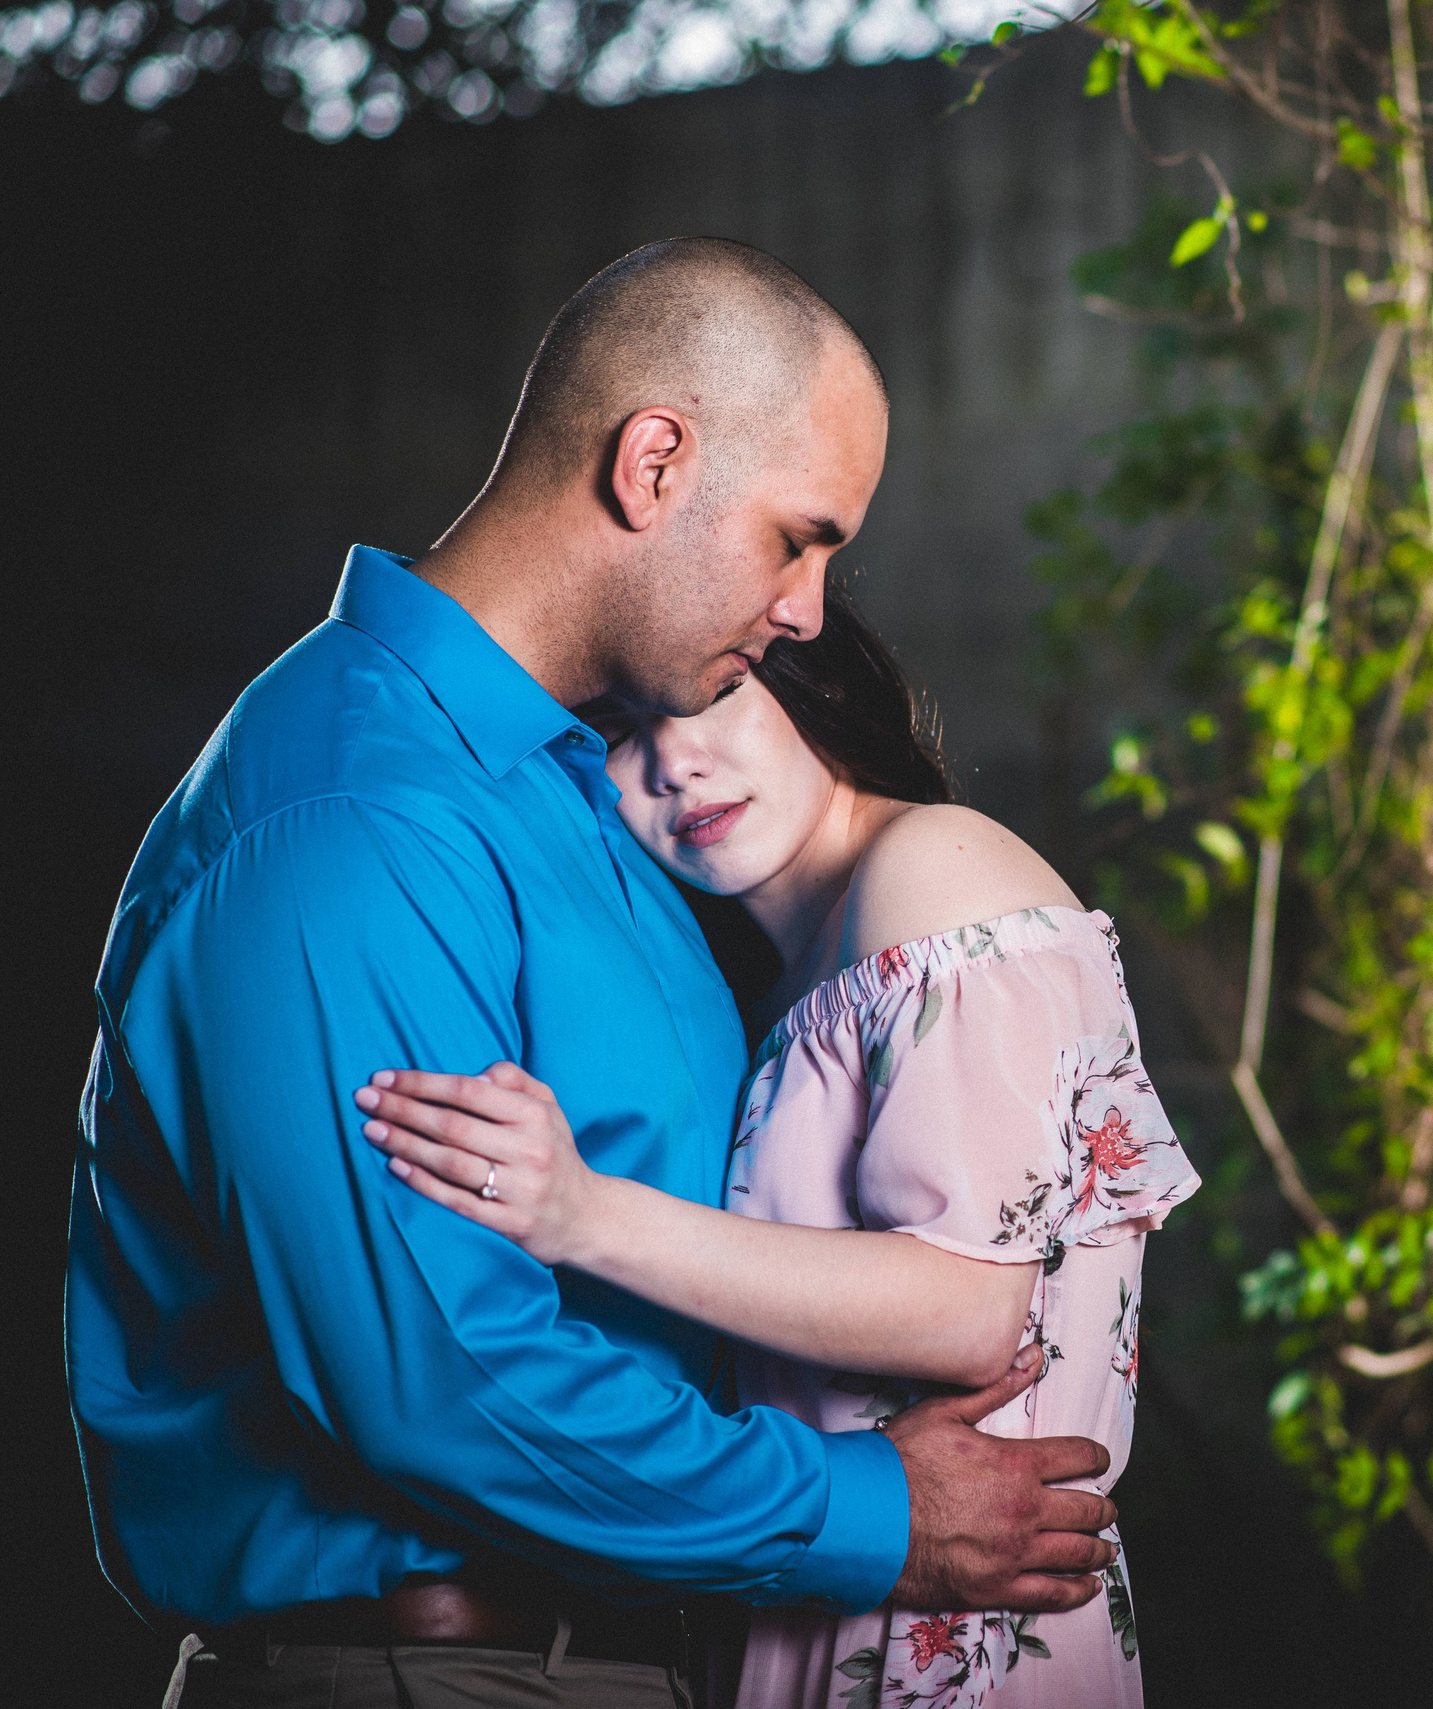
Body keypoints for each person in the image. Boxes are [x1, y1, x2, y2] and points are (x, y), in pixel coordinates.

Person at [67, 238, 1116, 1709]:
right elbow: (439, 1381)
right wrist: (875, 1515)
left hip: (614, 1659)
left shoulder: (593, 797)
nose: (812, 609)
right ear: (655, 463)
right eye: (797, 538)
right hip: (431, 1672)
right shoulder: (355, 821)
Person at [353, 577, 1197, 1709]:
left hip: (957, 1620)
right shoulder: (786, 971)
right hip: (828, 1593)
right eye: (620, 735)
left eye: (711, 698)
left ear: (819, 680)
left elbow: (966, 1303)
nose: (673, 766)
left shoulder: (933, 866)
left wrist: (583, 1212)